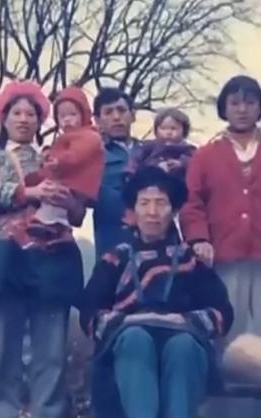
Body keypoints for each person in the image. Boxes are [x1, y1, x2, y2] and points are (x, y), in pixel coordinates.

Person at [0, 81, 86, 418]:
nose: (23, 119)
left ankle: (49, 412)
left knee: (51, 351)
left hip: (53, 257)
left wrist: (68, 200)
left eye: (30, 114)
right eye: (16, 113)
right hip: (6, 259)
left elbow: (78, 214)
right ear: (3, 119)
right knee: (4, 347)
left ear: (39, 120)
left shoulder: (58, 157)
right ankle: (0, 412)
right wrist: (27, 193)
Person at [81, 166, 234, 418]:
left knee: (183, 346)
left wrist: (185, 321)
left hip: (184, 339)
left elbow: (222, 312)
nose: (152, 212)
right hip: (127, 343)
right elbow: (90, 311)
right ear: (134, 210)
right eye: (144, 203)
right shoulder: (116, 259)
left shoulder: (191, 260)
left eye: (161, 203)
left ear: (173, 211)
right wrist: (127, 323)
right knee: (136, 339)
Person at [180, 75, 261, 343]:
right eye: (235, 103)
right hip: (223, 253)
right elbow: (192, 202)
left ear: (260, 108)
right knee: (228, 329)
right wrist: (199, 238)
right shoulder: (205, 155)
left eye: (250, 103)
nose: (242, 110)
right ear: (224, 108)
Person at [27, 86, 105, 240]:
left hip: (75, 182)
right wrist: (48, 155)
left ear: (83, 114)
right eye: (62, 116)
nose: (67, 119)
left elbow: (76, 155)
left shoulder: (89, 136)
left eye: (72, 114)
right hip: (66, 179)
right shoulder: (66, 138)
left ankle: (52, 225)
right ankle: (48, 224)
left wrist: (58, 160)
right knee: (50, 195)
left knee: (55, 196)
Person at [92, 88, 143, 259]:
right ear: (97, 120)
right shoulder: (93, 155)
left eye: (121, 110)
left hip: (159, 247)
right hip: (114, 246)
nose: (116, 117)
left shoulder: (151, 152)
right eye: (108, 112)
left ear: (133, 115)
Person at [125, 107, 197, 181]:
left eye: (173, 128)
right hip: (150, 182)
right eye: (163, 128)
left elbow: (197, 164)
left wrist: (182, 164)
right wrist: (130, 173)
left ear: (184, 131)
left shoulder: (188, 149)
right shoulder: (149, 146)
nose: (168, 132)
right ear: (156, 130)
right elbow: (135, 160)